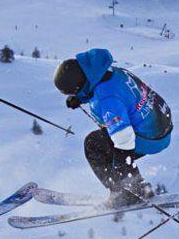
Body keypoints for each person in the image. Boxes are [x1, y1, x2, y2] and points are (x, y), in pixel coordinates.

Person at [53, 49, 172, 197]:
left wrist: (123, 165)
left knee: (93, 145)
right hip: (162, 125)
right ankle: (131, 186)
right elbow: (117, 92)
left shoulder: (106, 98)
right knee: (110, 144)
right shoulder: (109, 71)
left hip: (151, 138)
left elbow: (124, 137)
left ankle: (127, 192)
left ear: (78, 86)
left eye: (72, 92)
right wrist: (82, 97)